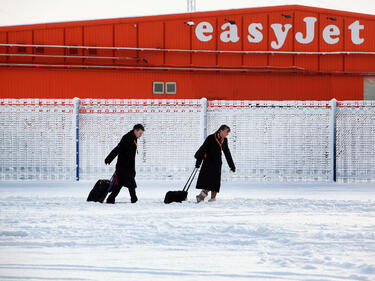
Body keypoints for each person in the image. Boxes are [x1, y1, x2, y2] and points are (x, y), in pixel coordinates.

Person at [194, 124, 236, 203]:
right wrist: (198, 163)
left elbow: (227, 153)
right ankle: (201, 196)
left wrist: (232, 166)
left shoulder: (225, 140)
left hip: (217, 164)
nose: (227, 134)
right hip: (208, 163)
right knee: (209, 181)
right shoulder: (211, 138)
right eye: (227, 132)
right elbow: (203, 150)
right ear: (221, 130)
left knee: (216, 182)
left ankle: (212, 199)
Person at [104, 124, 144, 204]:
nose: (140, 135)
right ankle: (134, 200)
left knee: (119, 184)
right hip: (123, 166)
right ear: (135, 131)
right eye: (140, 133)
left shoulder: (134, 138)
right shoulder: (127, 138)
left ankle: (110, 199)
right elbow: (118, 148)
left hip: (128, 166)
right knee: (131, 184)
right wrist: (109, 158)